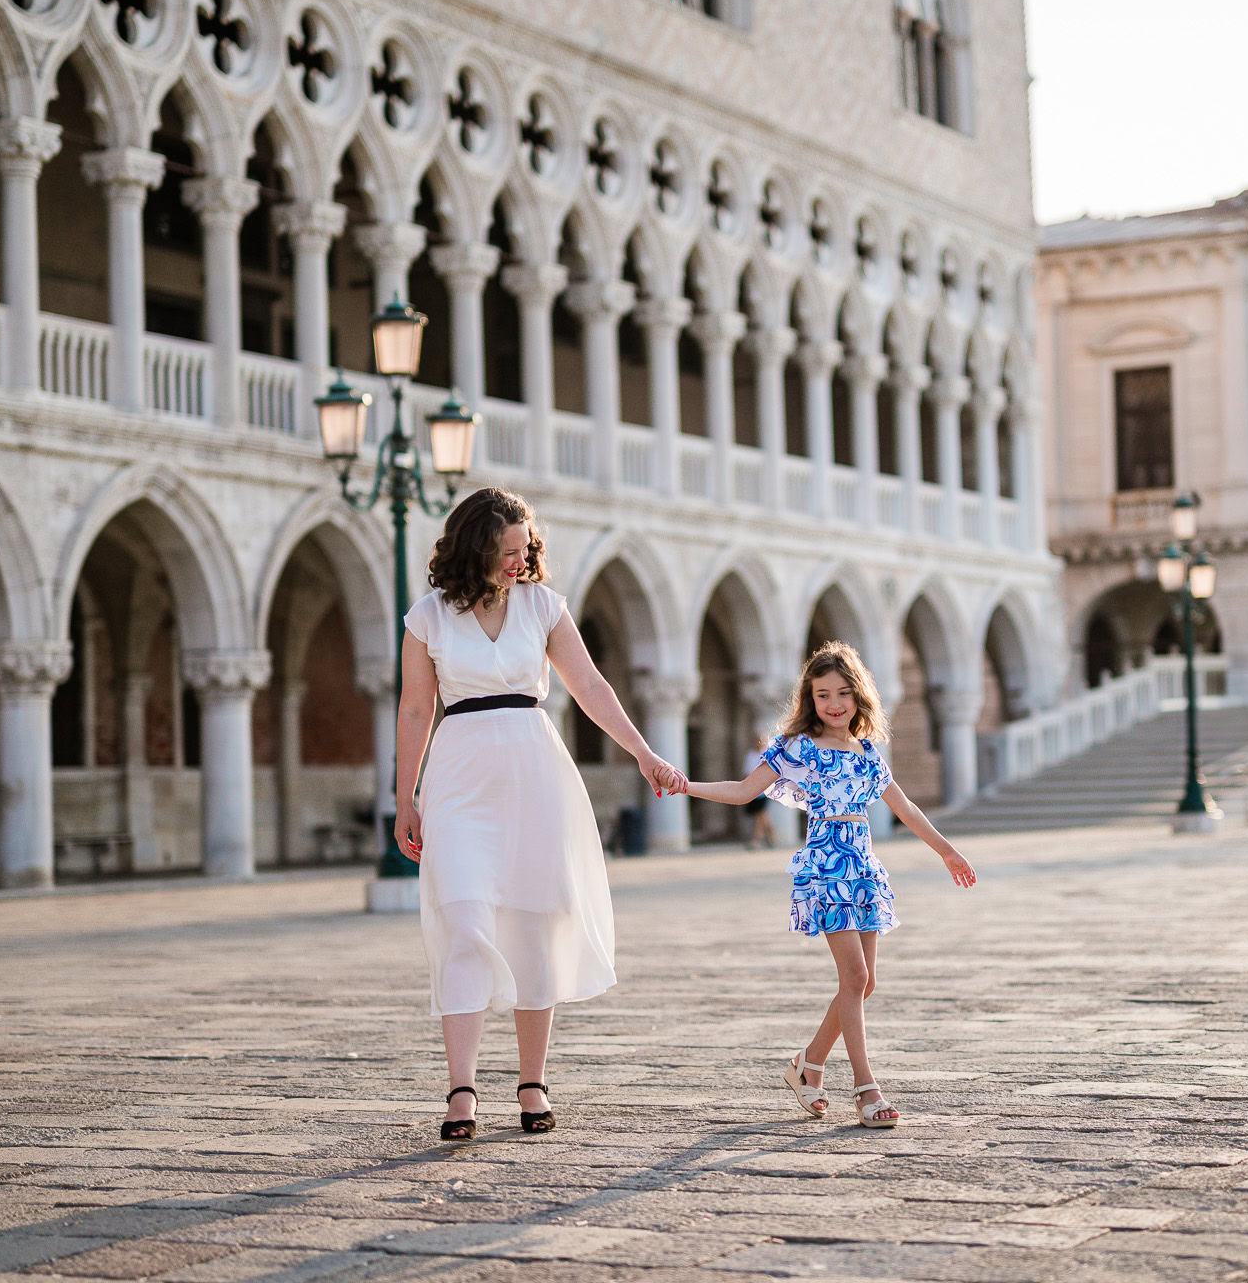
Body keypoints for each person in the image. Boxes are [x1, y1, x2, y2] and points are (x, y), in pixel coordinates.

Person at [394, 488, 685, 1141]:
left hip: (535, 769)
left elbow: (590, 687)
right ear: (475, 549)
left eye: (526, 551)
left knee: (533, 922)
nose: (519, 563)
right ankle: (462, 1090)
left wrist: (643, 753)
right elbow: (415, 710)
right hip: (460, 774)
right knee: (464, 918)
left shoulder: (543, 606)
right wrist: (403, 796)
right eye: (506, 553)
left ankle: (532, 1082)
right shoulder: (428, 618)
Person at [680, 641, 976, 1128]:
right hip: (827, 864)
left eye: (842, 693)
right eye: (822, 695)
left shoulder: (867, 753)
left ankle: (808, 1065)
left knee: (867, 983)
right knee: (854, 979)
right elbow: (741, 791)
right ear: (809, 700)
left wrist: (946, 849)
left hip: (863, 865)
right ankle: (866, 1088)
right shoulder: (798, 747)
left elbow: (906, 808)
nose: (834, 704)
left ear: (859, 695)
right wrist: (685, 784)